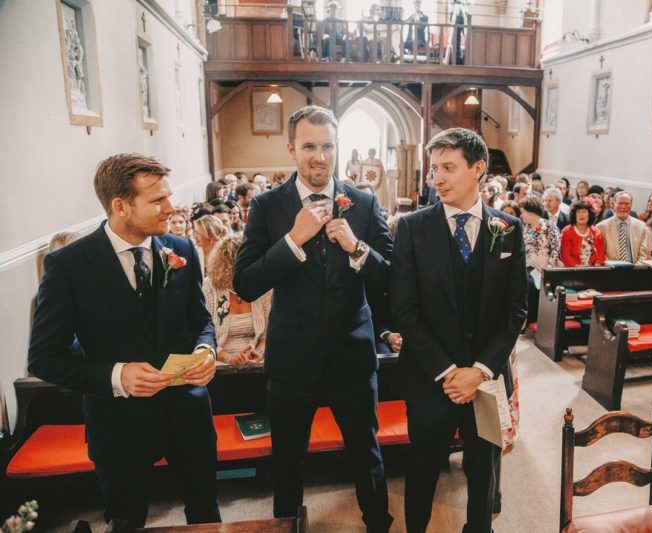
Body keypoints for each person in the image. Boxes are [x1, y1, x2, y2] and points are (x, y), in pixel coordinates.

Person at [28, 154, 219, 529]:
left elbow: (200, 320)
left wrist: (205, 349)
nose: (171, 207)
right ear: (121, 206)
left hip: (187, 412)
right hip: (119, 424)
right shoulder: (69, 266)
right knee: (127, 521)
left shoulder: (180, 251)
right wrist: (117, 375)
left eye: (168, 196)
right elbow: (45, 358)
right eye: (157, 200)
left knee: (205, 513)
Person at [233, 105, 394, 532]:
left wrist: (357, 247)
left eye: (327, 146)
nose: (319, 156)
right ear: (291, 149)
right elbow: (245, 283)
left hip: (352, 354)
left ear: (337, 148)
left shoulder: (363, 202)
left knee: (366, 452)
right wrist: (293, 239)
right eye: (309, 146)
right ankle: (287, 526)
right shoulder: (268, 207)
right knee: (287, 458)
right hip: (292, 358)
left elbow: (391, 279)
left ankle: (378, 522)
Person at [390, 128, 527, 533]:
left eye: (449, 168)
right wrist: (450, 372)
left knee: (484, 470)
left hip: (484, 380)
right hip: (432, 378)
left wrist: (480, 370)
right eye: (435, 169)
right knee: (424, 469)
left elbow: (515, 312)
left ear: (478, 169)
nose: (438, 179)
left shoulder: (507, 229)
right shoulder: (413, 228)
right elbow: (404, 309)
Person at [204, 234, 271, 365]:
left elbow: (266, 335)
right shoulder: (209, 288)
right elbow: (202, 336)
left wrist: (258, 353)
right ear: (227, 265)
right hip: (217, 363)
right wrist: (229, 357)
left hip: (254, 364)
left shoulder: (262, 286)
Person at [518, 196, 560, 325]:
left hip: (546, 268)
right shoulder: (523, 228)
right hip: (527, 267)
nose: (521, 215)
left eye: (523, 211)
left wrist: (548, 268)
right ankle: (526, 321)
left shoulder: (549, 226)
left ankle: (538, 321)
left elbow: (555, 249)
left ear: (530, 212)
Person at [596, 191, 648, 263]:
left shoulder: (641, 226)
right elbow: (600, 255)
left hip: (635, 269)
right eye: (620, 203)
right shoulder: (601, 227)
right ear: (613, 205)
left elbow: (643, 255)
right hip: (611, 269)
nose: (623, 206)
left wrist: (637, 270)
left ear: (631, 205)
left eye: (627, 203)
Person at [560, 201, 605, 267]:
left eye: (584, 211)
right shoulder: (566, 231)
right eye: (578, 212)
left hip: (593, 270)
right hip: (573, 270)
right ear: (574, 215)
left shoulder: (596, 232)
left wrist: (596, 267)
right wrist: (578, 268)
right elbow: (566, 256)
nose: (581, 215)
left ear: (589, 214)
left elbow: (600, 254)